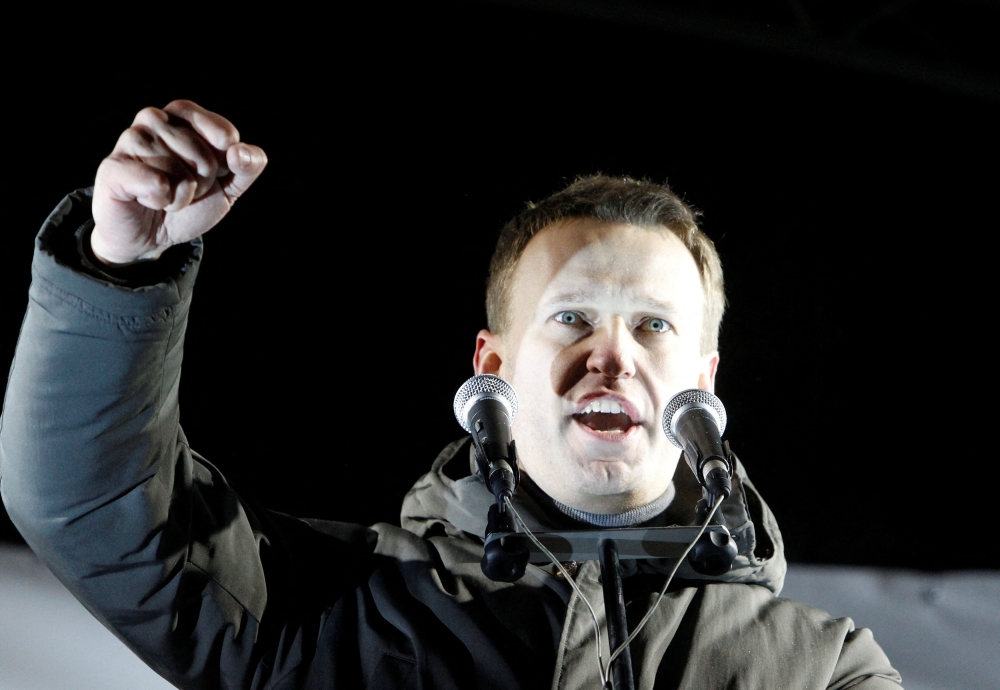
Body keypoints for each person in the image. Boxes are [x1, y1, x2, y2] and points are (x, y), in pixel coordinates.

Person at [0, 101, 902, 689]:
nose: (612, 358)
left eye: (655, 327)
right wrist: (120, 265)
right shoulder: (339, 608)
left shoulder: (824, 669)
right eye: (572, 317)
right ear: (492, 364)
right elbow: (92, 505)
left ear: (703, 383)